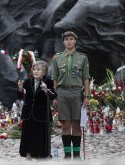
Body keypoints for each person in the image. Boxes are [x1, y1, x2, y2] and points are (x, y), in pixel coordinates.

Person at [51, 31, 90, 160]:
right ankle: (67, 155)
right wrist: (55, 96)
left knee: (77, 124)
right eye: (66, 39)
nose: (69, 41)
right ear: (63, 42)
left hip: (76, 92)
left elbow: (86, 78)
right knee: (65, 124)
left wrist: (86, 97)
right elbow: (55, 79)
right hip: (62, 93)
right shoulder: (57, 58)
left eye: (71, 39)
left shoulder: (82, 58)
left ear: (75, 41)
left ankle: (77, 155)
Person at [17, 60, 57, 159]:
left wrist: (46, 90)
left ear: (44, 72)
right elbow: (20, 96)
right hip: (28, 113)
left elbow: (53, 96)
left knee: (39, 135)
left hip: (41, 114)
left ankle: (40, 154)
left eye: (38, 69)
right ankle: (28, 153)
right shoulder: (27, 81)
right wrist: (20, 89)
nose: (35, 71)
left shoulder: (48, 81)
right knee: (28, 134)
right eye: (34, 69)